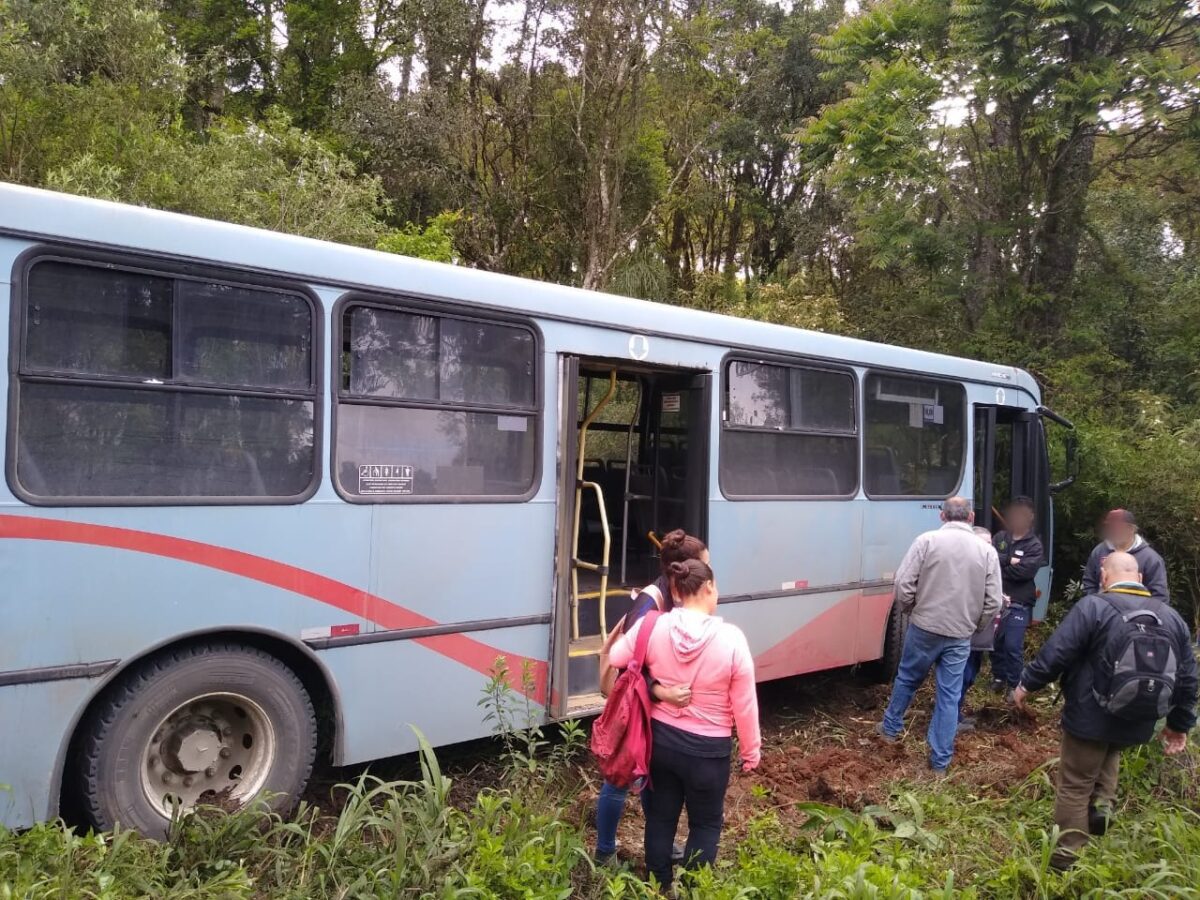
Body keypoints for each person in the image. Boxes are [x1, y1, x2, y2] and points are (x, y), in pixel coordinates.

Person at [1013, 551, 1197, 870]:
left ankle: (1064, 860)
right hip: (1138, 717)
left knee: (1075, 782)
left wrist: (1027, 683)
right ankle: (1101, 809)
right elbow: (1189, 678)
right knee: (1110, 751)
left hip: (1089, 712)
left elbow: (1058, 652)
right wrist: (1179, 724)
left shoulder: (1094, 606)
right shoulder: (1171, 617)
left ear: (1103, 576)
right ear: (1139, 579)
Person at [608, 557, 761, 888]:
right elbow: (745, 704)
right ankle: (693, 890)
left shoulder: (653, 625)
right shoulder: (732, 638)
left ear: (676, 590)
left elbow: (617, 658)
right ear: (708, 588)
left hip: (661, 743)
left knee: (661, 818)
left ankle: (659, 888)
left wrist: (657, 686)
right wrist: (751, 752)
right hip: (709, 752)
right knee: (705, 824)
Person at [593, 529, 707, 865]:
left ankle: (659, 840)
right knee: (620, 774)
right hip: (635, 699)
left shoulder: (676, 597)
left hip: (649, 701)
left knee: (645, 774)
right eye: (704, 567)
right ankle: (604, 852)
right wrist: (663, 692)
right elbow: (632, 666)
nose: (708, 577)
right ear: (680, 572)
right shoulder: (650, 603)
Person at [875, 497, 1003, 774]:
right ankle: (939, 762)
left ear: (942, 517)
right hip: (960, 633)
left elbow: (902, 583)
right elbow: (993, 601)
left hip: (924, 627)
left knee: (907, 679)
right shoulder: (986, 552)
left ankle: (889, 730)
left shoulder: (926, 541)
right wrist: (976, 625)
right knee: (949, 695)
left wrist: (912, 609)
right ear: (970, 518)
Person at [989, 497, 1046, 696]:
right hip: (995, 598)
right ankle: (998, 676)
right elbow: (990, 561)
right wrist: (1009, 560)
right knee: (995, 642)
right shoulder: (1000, 538)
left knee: (1012, 645)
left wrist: (1003, 566)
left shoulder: (1034, 545)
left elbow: (1025, 573)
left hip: (1019, 602)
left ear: (1030, 517)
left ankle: (1014, 685)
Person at [957, 526, 1007, 732]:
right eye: (983, 544)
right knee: (961, 677)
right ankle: (952, 719)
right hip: (969, 636)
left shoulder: (990, 568)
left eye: (990, 545)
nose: (988, 549)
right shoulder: (967, 572)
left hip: (981, 639)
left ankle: (957, 715)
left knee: (970, 676)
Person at [1081, 509, 1169, 604]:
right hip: (1101, 613)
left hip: (1137, 615)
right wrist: (1094, 606)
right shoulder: (1099, 551)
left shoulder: (1150, 558)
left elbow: (1160, 596)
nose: (1113, 531)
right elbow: (1089, 582)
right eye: (1110, 527)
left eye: (1118, 527)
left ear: (1131, 529)